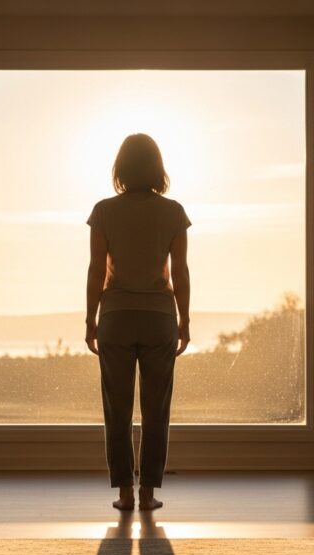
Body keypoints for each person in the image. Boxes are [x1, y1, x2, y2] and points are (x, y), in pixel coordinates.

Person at [84, 133, 191, 511]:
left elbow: (98, 269)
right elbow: (179, 271)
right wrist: (185, 319)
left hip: (115, 316)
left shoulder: (104, 211)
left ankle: (124, 493)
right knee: (156, 410)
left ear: (121, 169)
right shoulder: (174, 212)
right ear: (158, 168)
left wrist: (90, 318)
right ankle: (148, 493)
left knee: (116, 408)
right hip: (160, 317)